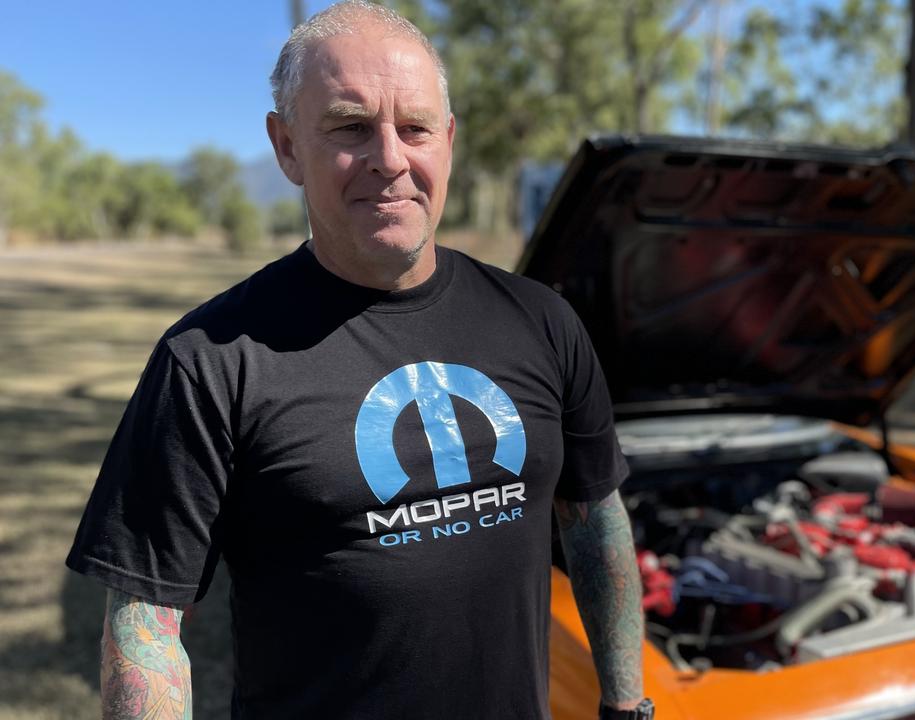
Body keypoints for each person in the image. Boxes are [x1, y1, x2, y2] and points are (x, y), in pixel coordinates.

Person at [64, 2, 651, 718]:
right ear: (286, 148)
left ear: (449, 141)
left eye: (415, 127)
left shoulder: (541, 321)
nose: (390, 158)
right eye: (349, 127)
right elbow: (145, 621)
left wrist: (628, 706)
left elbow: (594, 521)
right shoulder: (210, 361)